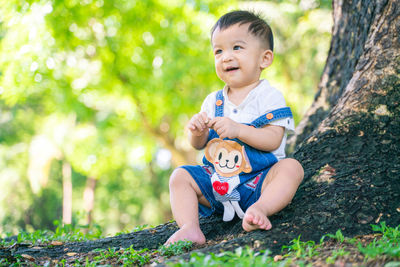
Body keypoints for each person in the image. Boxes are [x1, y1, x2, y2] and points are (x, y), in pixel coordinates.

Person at [165, 10, 304, 245]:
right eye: (218, 51)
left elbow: (273, 140)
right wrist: (196, 133)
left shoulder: (269, 96)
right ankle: (190, 228)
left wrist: (238, 130)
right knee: (180, 176)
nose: (226, 57)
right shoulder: (213, 101)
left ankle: (259, 210)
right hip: (219, 184)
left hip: (259, 183)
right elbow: (200, 145)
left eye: (237, 48)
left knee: (292, 168)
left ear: (265, 59)